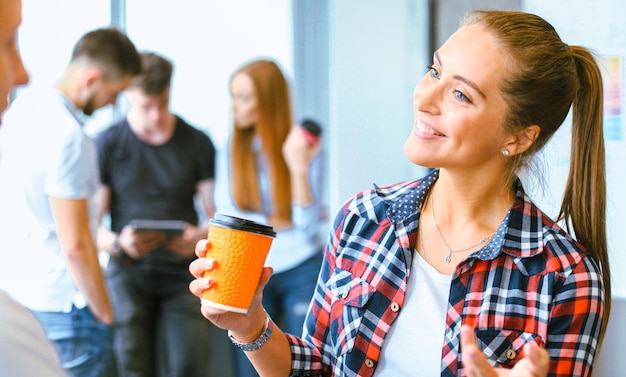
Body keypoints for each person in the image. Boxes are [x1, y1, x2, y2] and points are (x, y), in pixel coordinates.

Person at [189, 9, 610, 377]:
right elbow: (318, 365)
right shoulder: (362, 218)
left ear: (519, 137)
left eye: (460, 94)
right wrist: (251, 326)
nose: (425, 98)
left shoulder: (565, 275)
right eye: (434, 71)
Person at [0, 27, 141, 377]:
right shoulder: (70, 136)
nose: (113, 104)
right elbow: (77, 243)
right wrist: (106, 312)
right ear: (92, 79)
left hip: (23, 298)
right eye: (114, 92)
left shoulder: (18, 113)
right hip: (67, 309)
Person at [94, 51, 216, 377]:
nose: (156, 115)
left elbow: (216, 218)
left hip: (183, 272)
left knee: (189, 365)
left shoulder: (198, 142)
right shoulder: (107, 143)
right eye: (145, 106)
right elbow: (91, 227)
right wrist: (119, 242)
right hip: (129, 271)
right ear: (127, 95)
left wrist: (200, 235)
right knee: (134, 365)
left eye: (163, 103)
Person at [211, 58, 325, 377]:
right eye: (234, 97)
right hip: (252, 265)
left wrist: (298, 167)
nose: (236, 107)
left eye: (244, 98)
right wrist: (280, 221)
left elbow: (307, 223)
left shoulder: (304, 145)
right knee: (252, 360)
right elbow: (229, 213)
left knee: (310, 356)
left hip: (302, 264)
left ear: (268, 101)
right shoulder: (231, 147)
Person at [0, 0, 67, 376]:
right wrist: (104, 310)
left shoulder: (29, 122)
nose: (22, 74)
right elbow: (76, 244)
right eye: (8, 42)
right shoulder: (10, 342)